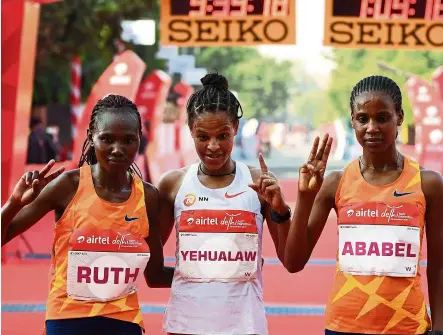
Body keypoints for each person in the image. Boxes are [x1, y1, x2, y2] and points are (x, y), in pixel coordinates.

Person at [283, 75, 443, 335]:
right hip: (343, 326)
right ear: (352, 120)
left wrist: (440, 328)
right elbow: (293, 262)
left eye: (382, 117)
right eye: (362, 119)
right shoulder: (336, 182)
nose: (371, 128)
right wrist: (304, 197)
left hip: (407, 327)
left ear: (399, 117)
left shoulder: (428, 183)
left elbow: (439, 265)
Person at [2, 94, 173, 335]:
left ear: (139, 140)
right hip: (67, 319)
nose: (117, 149)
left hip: (123, 320)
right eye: (107, 139)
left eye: (128, 140)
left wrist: (220, 274)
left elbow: (155, 275)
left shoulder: (148, 196)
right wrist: (13, 203)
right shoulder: (68, 186)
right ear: (91, 137)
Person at [157, 71, 292, 335]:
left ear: (236, 130)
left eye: (223, 135)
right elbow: (149, 267)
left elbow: (290, 259)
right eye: (203, 137)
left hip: (245, 326)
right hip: (185, 325)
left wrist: (280, 210)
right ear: (190, 132)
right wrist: (211, 271)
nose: (213, 146)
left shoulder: (258, 182)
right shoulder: (172, 185)